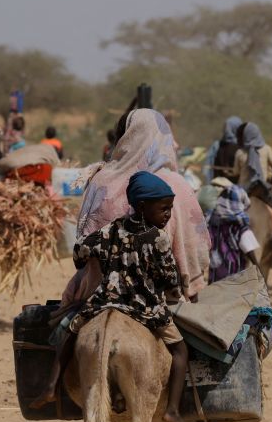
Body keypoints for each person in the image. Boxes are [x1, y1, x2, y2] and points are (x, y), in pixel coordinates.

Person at [33, 171, 192, 422]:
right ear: (142, 206)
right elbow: (168, 276)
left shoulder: (111, 230)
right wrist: (172, 283)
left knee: (69, 332)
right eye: (163, 209)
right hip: (147, 306)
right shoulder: (158, 238)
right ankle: (173, 409)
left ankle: (51, 385)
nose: (168, 215)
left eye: (170, 209)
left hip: (105, 301)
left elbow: (80, 251)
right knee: (180, 351)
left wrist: (91, 262)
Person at [74, 108, 211, 300]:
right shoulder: (176, 185)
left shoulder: (100, 181)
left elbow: (82, 249)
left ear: (125, 138)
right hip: (158, 302)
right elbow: (194, 254)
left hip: (97, 295)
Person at [206, 177, 262, 283]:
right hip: (233, 273)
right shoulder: (239, 227)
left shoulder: (212, 221)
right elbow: (249, 249)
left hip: (215, 272)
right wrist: (258, 268)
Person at [235, 122, 272, 208]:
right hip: (262, 187)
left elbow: (236, 172)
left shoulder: (239, 152)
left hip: (243, 190)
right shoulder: (266, 149)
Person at [204, 116, 243, 182]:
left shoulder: (244, 147)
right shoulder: (217, 145)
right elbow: (209, 167)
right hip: (223, 185)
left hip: (231, 186)